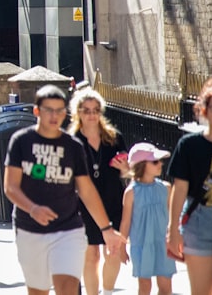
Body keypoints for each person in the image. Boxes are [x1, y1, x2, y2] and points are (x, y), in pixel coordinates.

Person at [4, 85, 125, 295]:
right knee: (38, 290)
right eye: (48, 110)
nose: (54, 115)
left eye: (59, 110)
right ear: (37, 111)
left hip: (69, 228)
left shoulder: (73, 146)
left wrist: (107, 230)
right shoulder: (22, 141)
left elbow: (86, 190)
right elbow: (10, 187)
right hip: (29, 227)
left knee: (69, 287)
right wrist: (32, 209)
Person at [68, 88, 129, 295]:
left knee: (113, 252)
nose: (92, 115)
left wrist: (125, 169)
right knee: (91, 254)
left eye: (95, 110)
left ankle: (108, 292)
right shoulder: (72, 141)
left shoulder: (114, 138)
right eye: (86, 111)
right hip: (83, 205)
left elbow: (127, 173)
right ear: (78, 113)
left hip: (113, 200)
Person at [166, 76, 212, 295]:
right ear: (204, 110)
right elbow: (180, 188)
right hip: (198, 221)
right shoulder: (189, 145)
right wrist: (173, 229)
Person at [119, 143, 176, 295]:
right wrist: (121, 247)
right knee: (144, 286)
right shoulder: (131, 192)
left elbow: (173, 215)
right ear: (142, 165)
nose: (160, 164)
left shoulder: (166, 188)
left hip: (163, 244)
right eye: (155, 162)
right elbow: (126, 222)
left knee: (166, 285)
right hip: (142, 244)